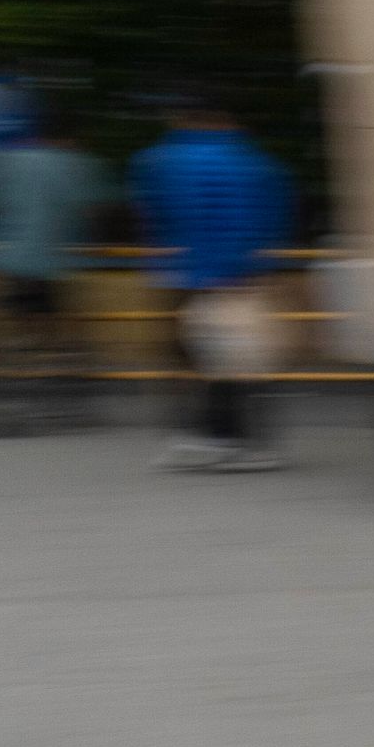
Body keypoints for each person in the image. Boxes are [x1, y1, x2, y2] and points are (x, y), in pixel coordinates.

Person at [128, 98, 294, 472]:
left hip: (183, 273)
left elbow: (151, 213)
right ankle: (235, 437)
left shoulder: (159, 159)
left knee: (206, 356)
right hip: (234, 273)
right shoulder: (251, 161)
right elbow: (271, 210)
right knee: (240, 357)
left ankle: (213, 435)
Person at [0, 122, 101, 418]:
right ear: (66, 138)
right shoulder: (69, 164)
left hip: (9, 260)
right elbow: (84, 207)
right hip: (46, 262)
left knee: (5, 322)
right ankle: (67, 391)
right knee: (56, 329)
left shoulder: (7, 161)